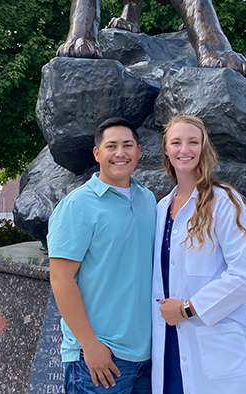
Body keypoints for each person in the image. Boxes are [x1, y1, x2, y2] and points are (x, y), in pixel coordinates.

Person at [152, 114, 246, 394]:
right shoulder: (160, 208)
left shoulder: (226, 201)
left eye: (193, 142)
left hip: (217, 339)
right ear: (166, 150)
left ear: (203, 148)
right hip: (170, 340)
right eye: (177, 142)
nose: (185, 150)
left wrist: (187, 309)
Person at [48, 117, 156, 394]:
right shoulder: (77, 205)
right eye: (112, 146)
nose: (120, 153)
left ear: (139, 151)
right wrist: (90, 345)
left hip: (148, 355)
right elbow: (61, 279)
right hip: (99, 356)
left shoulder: (148, 200)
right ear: (97, 153)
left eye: (127, 145)